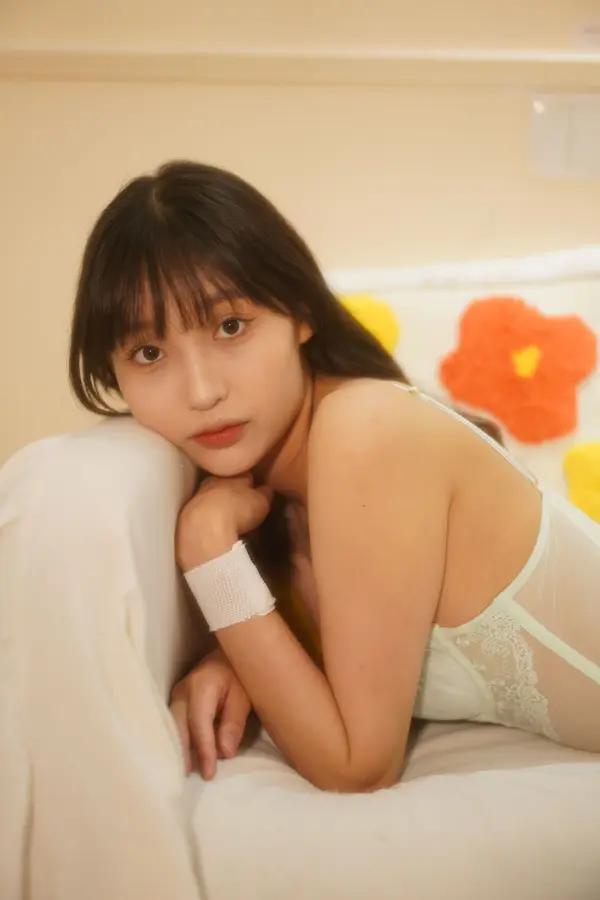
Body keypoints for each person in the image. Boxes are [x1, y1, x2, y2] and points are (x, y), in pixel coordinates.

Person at [68, 159, 600, 793]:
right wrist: (233, 657)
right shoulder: (279, 497)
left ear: (300, 311)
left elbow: (356, 767)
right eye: (149, 353)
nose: (202, 391)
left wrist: (207, 553)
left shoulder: (363, 428)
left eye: (230, 326)